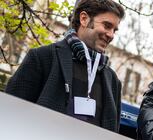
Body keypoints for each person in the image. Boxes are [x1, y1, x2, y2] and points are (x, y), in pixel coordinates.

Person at [5, 0, 125, 132]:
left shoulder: (113, 81)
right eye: (107, 26)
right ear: (84, 19)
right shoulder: (42, 58)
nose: (111, 35)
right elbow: (10, 114)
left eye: (115, 30)